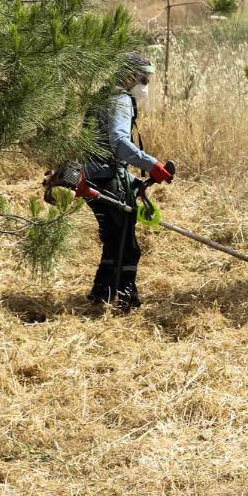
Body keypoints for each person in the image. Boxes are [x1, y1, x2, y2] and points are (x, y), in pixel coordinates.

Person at [83, 52, 175, 308]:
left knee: (114, 239)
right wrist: (152, 164)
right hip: (106, 176)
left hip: (94, 176)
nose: (146, 84)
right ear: (129, 76)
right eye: (143, 78)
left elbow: (100, 149)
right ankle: (124, 299)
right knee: (126, 244)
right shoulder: (120, 100)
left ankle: (102, 294)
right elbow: (119, 144)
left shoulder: (102, 97)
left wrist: (133, 181)